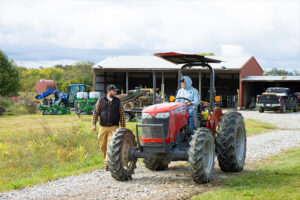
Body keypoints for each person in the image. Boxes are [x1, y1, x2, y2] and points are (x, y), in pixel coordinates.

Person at [92, 84, 126, 171]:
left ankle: (107, 163)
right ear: (108, 91)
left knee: (110, 145)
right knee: (102, 145)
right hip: (102, 127)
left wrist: (123, 128)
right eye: (114, 91)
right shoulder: (101, 100)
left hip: (114, 127)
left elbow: (122, 115)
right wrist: (94, 124)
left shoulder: (118, 102)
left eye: (115, 91)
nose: (115, 92)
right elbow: (96, 112)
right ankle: (107, 160)